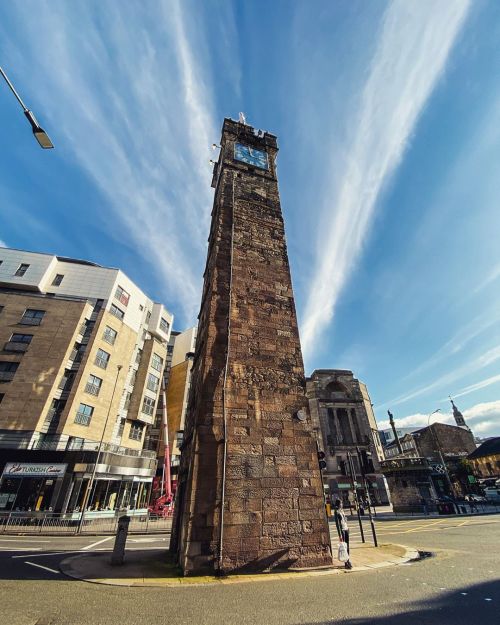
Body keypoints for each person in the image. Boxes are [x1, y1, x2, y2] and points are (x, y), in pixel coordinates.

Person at [334, 498, 352, 569]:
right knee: (344, 547)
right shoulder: (336, 512)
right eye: (341, 503)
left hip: (346, 529)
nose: (342, 504)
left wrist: (348, 527)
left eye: (342, 503)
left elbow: (344, 520)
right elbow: (337, 524)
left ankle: (348, 560)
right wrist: (340, 535)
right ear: (338, 504)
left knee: (347, 546)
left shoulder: (342, 511)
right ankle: (346, 562)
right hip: (342, 530)